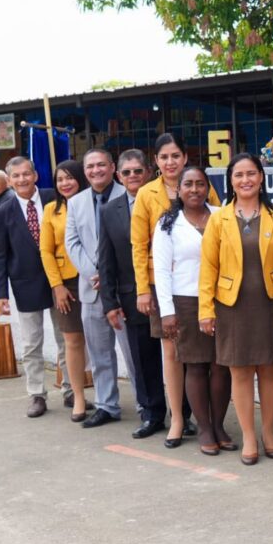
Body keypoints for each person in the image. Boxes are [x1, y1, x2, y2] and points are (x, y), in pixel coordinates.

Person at [199, 153, 273, 465]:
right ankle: (249, 436)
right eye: (238, 175)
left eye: (251, 173)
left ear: (261, 177)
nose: (245, 180)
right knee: (239, 372)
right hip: (232, 306)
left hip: (271, 304)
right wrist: (205, 310)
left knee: (268, 370)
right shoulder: (219, 219)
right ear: (230, 181)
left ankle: (268, 432)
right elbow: (208, 267)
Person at [133, 133, 220, 444]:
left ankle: (205, 419)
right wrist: (143, 289)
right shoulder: (146, 194)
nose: (170, 162)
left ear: (184, 158)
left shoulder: (204, 188)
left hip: (205, 288)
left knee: (204, 358)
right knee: (171, 353)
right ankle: (177, 419)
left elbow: (219, 232)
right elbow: (138, 244)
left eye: (175, 156)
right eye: (164, 157)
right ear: (156, 161)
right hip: (163, 285)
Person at [156, 165, 233, 455]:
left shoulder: (222, 215)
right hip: (186, 301)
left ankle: (219, 425)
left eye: (200, 184)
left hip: (222, 300)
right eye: (188, 184)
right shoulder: (167, 223)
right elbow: (161, 270)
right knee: (197, 365)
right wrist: (167, 311)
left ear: (208, 187)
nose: (194, 189)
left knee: (222, 365)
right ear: (178, 189)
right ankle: (203, 428)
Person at [97, 150, 167, 439]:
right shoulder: (108, 211)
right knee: (143, 358)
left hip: (169, 290)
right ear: (118, 176)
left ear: (148, 172)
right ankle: (152, 414)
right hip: (132, 295)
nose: (133, 176)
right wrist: (110, 303)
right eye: (126, 172)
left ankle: (185, 415)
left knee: (178, 358)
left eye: (138, 170)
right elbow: (106, 261)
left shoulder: (165, 200)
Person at [0, 157, 64, 417]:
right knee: (31, 343)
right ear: (9, 181)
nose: (22, 179)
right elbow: (0, 256)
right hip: (25, 283)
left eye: (26, 173)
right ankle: (36, 394)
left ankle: (71, 389)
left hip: (61, 281)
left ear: (35, 175)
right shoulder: (3, 212)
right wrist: (1, 294)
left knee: (66, 338)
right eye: (16, 176)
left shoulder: (54, 198)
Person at [65, 148, 126, 428]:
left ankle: (147, 406)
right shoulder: (76, 202)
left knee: (134, 354)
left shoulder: (128, 196)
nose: (96, 170)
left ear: (112, 167)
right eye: (90, 166)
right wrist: (95, 273)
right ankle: (106, 405)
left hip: (123, 289)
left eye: (101, 165)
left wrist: (110, 275)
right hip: (91, 289)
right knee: (100, 354)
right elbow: (72, 243)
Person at [39, 159, 93, 421]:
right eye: (60, 179)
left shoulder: (94, 203)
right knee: (72, 341)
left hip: (93, 278)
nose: (65, 183)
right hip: (67, 283)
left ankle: (108, 396)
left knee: (99, 341)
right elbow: (46, 251)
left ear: (80, 178)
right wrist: (57, 286)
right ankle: (77, 397)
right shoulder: (51, 209)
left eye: (69, 177)